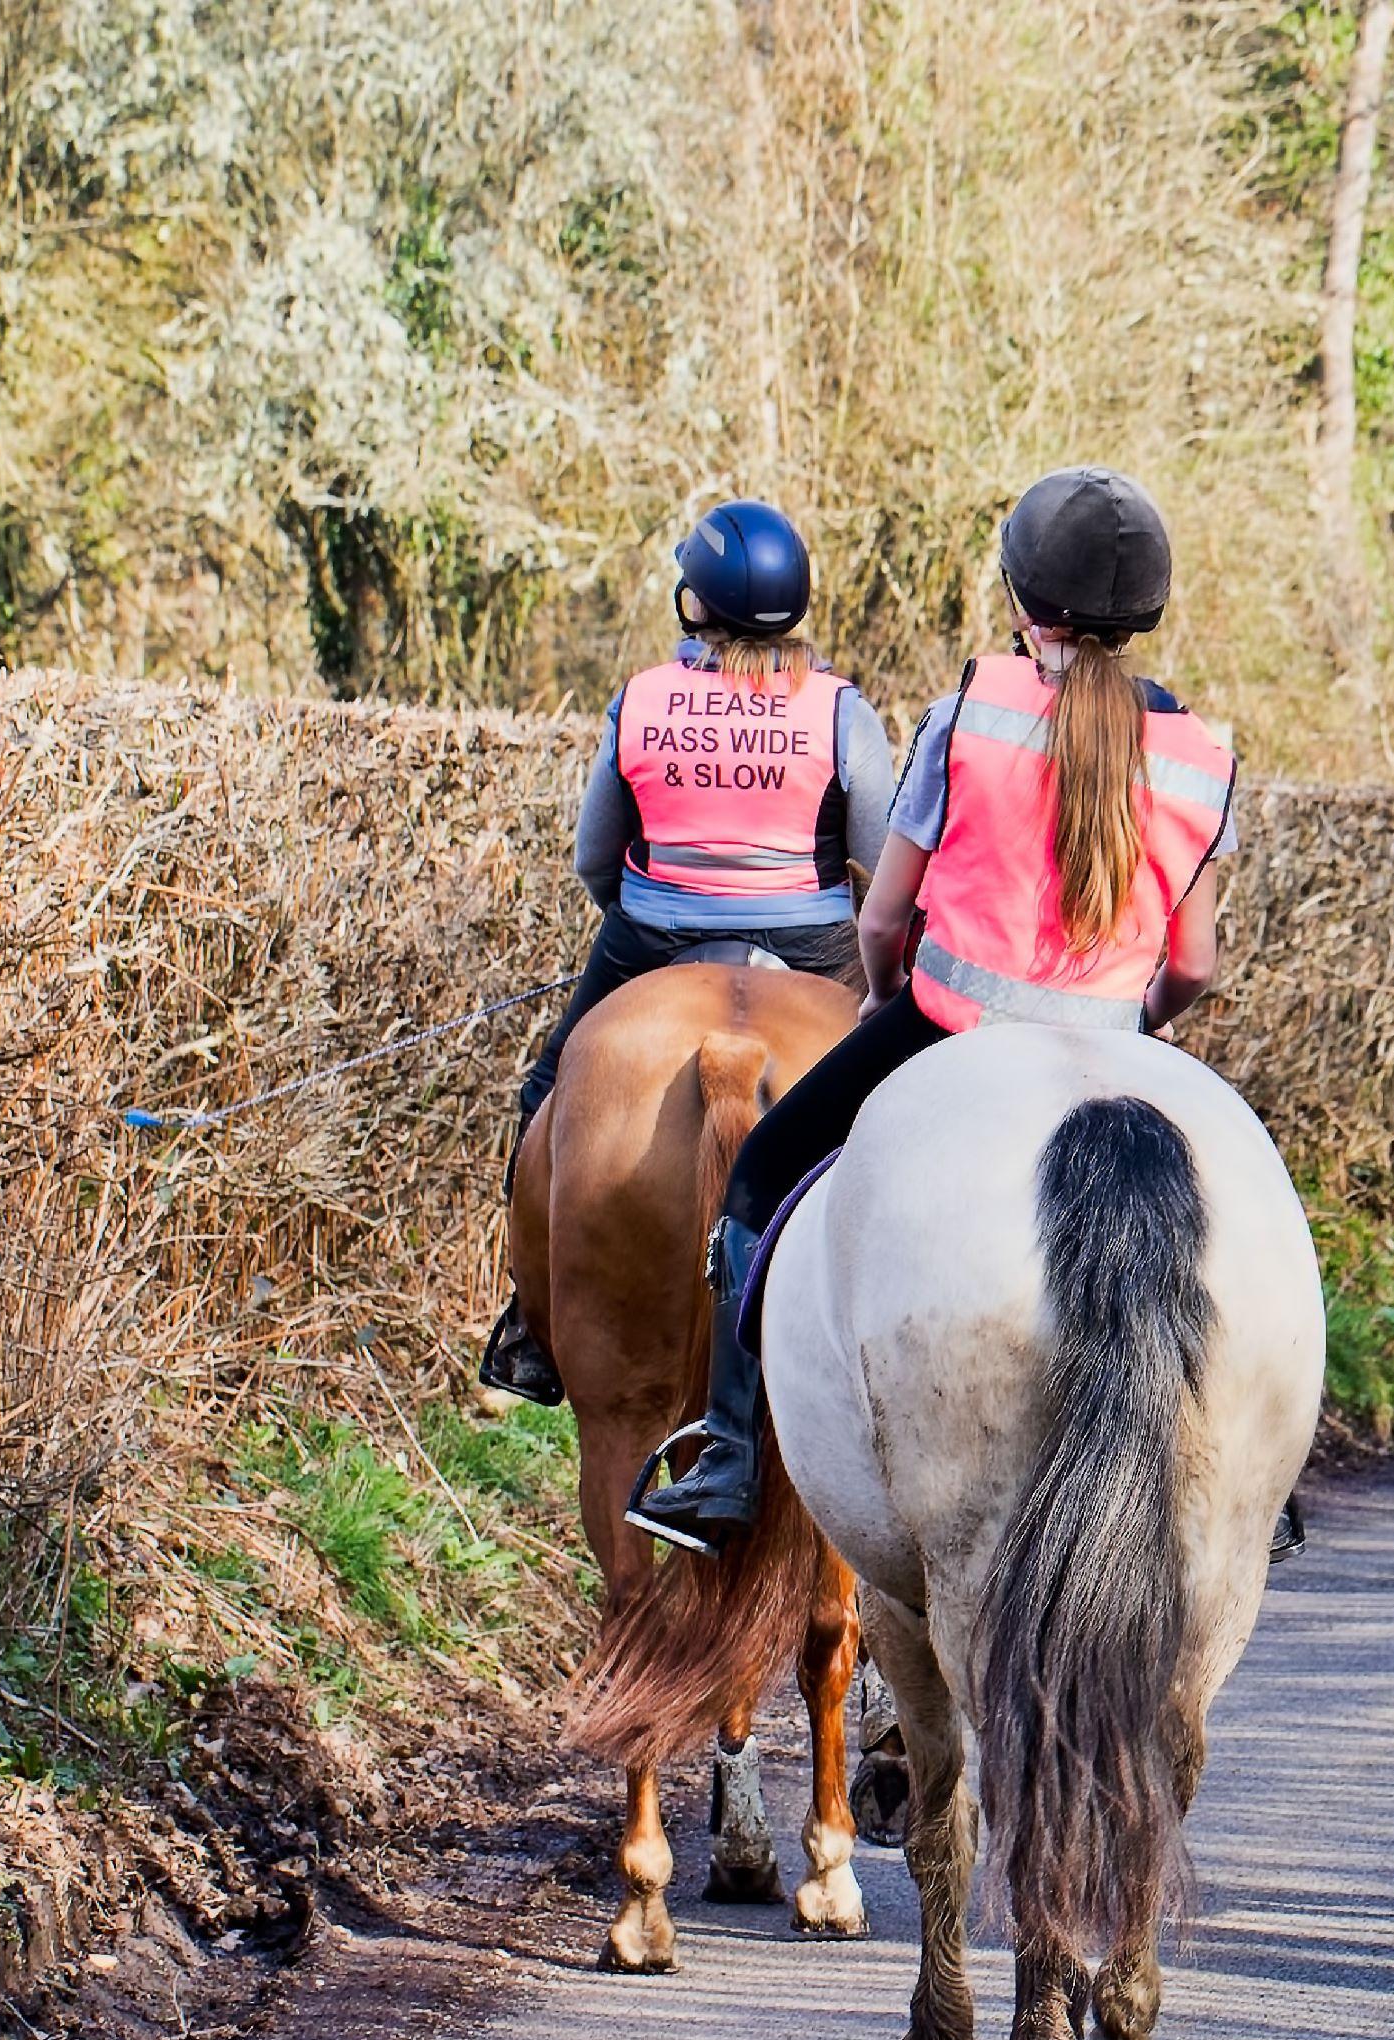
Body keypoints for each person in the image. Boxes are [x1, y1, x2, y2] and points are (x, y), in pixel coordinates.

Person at [623, 466, 1243, 1557]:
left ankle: (726, 1455)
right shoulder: (1201, 757)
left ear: (1019, 603)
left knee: (762, 1173)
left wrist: (877, 994)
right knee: (1230, 1221)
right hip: (1114, 1045)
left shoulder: (970, 715)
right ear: (1147, 612)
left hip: (948, 1024)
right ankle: (1249, 1472)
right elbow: (1191, 962)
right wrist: (1134, 1017)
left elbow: (885, 915)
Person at [477, 499, 898, 1405]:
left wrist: (640, 916)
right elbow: (881, 846)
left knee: (548, 1091)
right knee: (900, 1104)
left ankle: (530, 1322)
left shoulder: (641, 699)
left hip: (652, 935)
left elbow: (595, 856)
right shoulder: (840, 712)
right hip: (812, 944)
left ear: (695, 603)